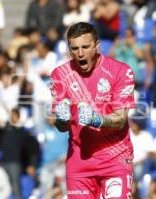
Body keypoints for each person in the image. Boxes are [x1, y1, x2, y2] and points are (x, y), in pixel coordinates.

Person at [50, 22, 136, 198]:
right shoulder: (60, 75)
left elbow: (120, 120)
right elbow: (61, 127)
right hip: (80, 162)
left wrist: (96, 119)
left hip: (115, 159)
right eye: (74, 48)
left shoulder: (121, 71)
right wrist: (62, 119)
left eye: (85, 47)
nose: (80, 54)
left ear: (97, 46)